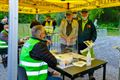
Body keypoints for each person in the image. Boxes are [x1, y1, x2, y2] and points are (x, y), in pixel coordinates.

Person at [78, 9, 97, 80]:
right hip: (79, 44)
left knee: (89, 59)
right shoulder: (78, 22)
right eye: (83, 13)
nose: (84, 15)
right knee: (80, 58)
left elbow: (94, 33)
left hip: (87, 45)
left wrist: (92, 40)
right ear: (81, 14)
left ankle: (91, 75)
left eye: (85, 14)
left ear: (87, 14)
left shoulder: (90, 22)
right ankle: (81, 72)